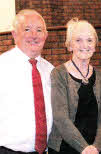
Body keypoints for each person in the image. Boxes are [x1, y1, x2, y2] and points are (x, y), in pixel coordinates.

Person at [47, 18, 101, 154]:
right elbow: (60, 117)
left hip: (95, 149)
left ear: (95, 45)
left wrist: (96, 148)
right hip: (65, 148)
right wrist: (84, 148)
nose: (85, 45)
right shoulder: (58, 74)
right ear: (69, 45)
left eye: (89, 40)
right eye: (78, 40)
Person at [0, 9, 53, 154]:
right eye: (27, 29)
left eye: (39, 30)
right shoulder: (2, 66)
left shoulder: (51, 71)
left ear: (46, 35)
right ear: (14, 34)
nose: (34, 36)